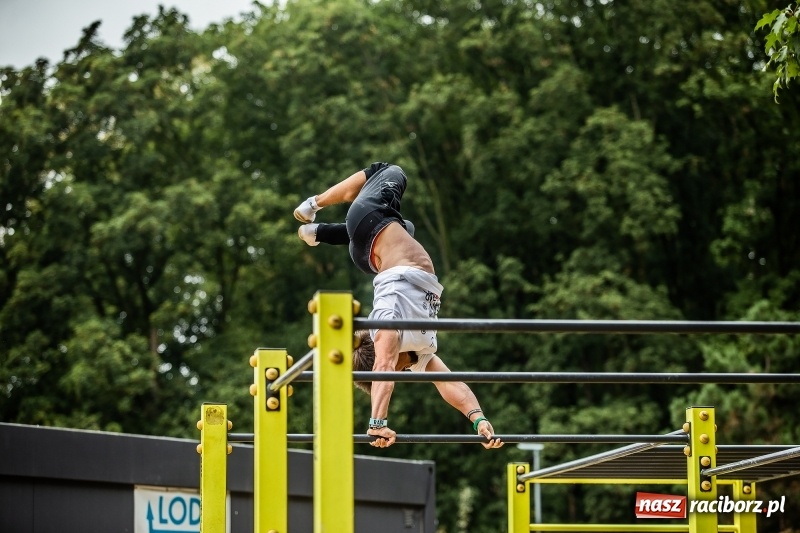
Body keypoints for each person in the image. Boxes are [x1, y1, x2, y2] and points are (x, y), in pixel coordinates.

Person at [293, 162, 502, 449]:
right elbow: (449, 383)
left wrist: (377, 425)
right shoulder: (419, 352)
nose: (405, 371)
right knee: (408, 227)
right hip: (371, 248)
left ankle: (312, 204)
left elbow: (384, 367)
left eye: (400, 370)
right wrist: (478, 418)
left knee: (390, 170)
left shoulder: (386, 330)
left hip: (369, 221)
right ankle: (319, 233)